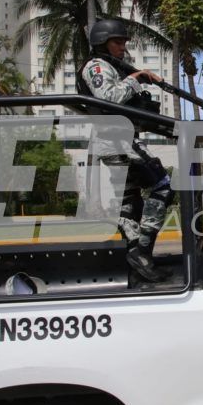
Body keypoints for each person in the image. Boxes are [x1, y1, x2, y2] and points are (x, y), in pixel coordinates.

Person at [79, 19, 174, 284]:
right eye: (117, 42)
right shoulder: (96, 66)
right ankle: (142, 251)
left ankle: (138, 257)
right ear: (102, 43)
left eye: (123, 42)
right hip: (115, 140)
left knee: (130, 201)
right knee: (163, 186)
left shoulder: (112, 66)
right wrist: (135, 78)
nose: (122, 47)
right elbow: (109, 98)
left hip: (119, 137)